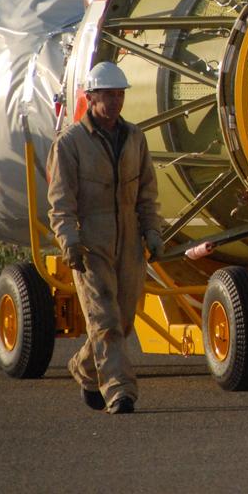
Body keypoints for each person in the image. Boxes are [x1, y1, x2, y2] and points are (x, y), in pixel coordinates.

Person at [48, 60, 163, 414]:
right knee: (106, 322)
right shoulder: (70, 144)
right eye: (106, 96)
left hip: (129, 241)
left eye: (119, 95)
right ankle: (120, 392)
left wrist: (153, 233)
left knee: (123, 322)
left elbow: (146, 192)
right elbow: (60, 201)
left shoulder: (135, 138)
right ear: (90, 98)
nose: (114, 102)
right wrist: (69, 241)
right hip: (90, 242)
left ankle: (84, 368)